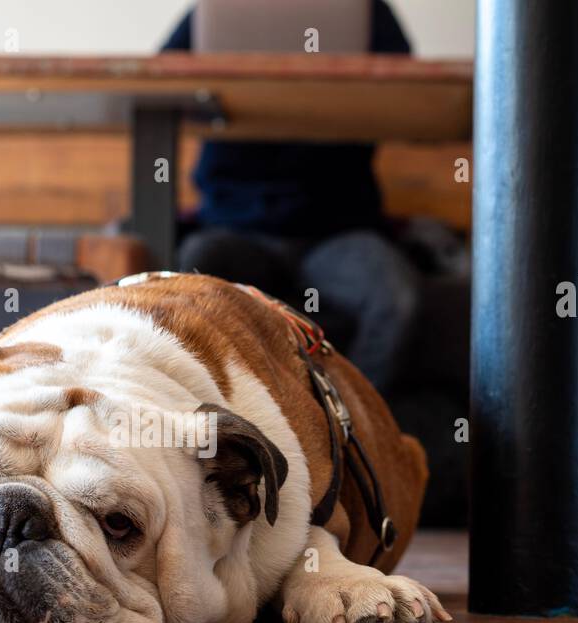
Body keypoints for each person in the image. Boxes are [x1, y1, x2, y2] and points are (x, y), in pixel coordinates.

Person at [162, 1, 421, 395]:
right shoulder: (221, 10)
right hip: (235, 227)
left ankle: (356, 430)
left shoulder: (365, 11)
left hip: (338, 230)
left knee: (397, 299)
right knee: (196, 277)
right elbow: (164, 77)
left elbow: (409, 90)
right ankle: (239, 425)